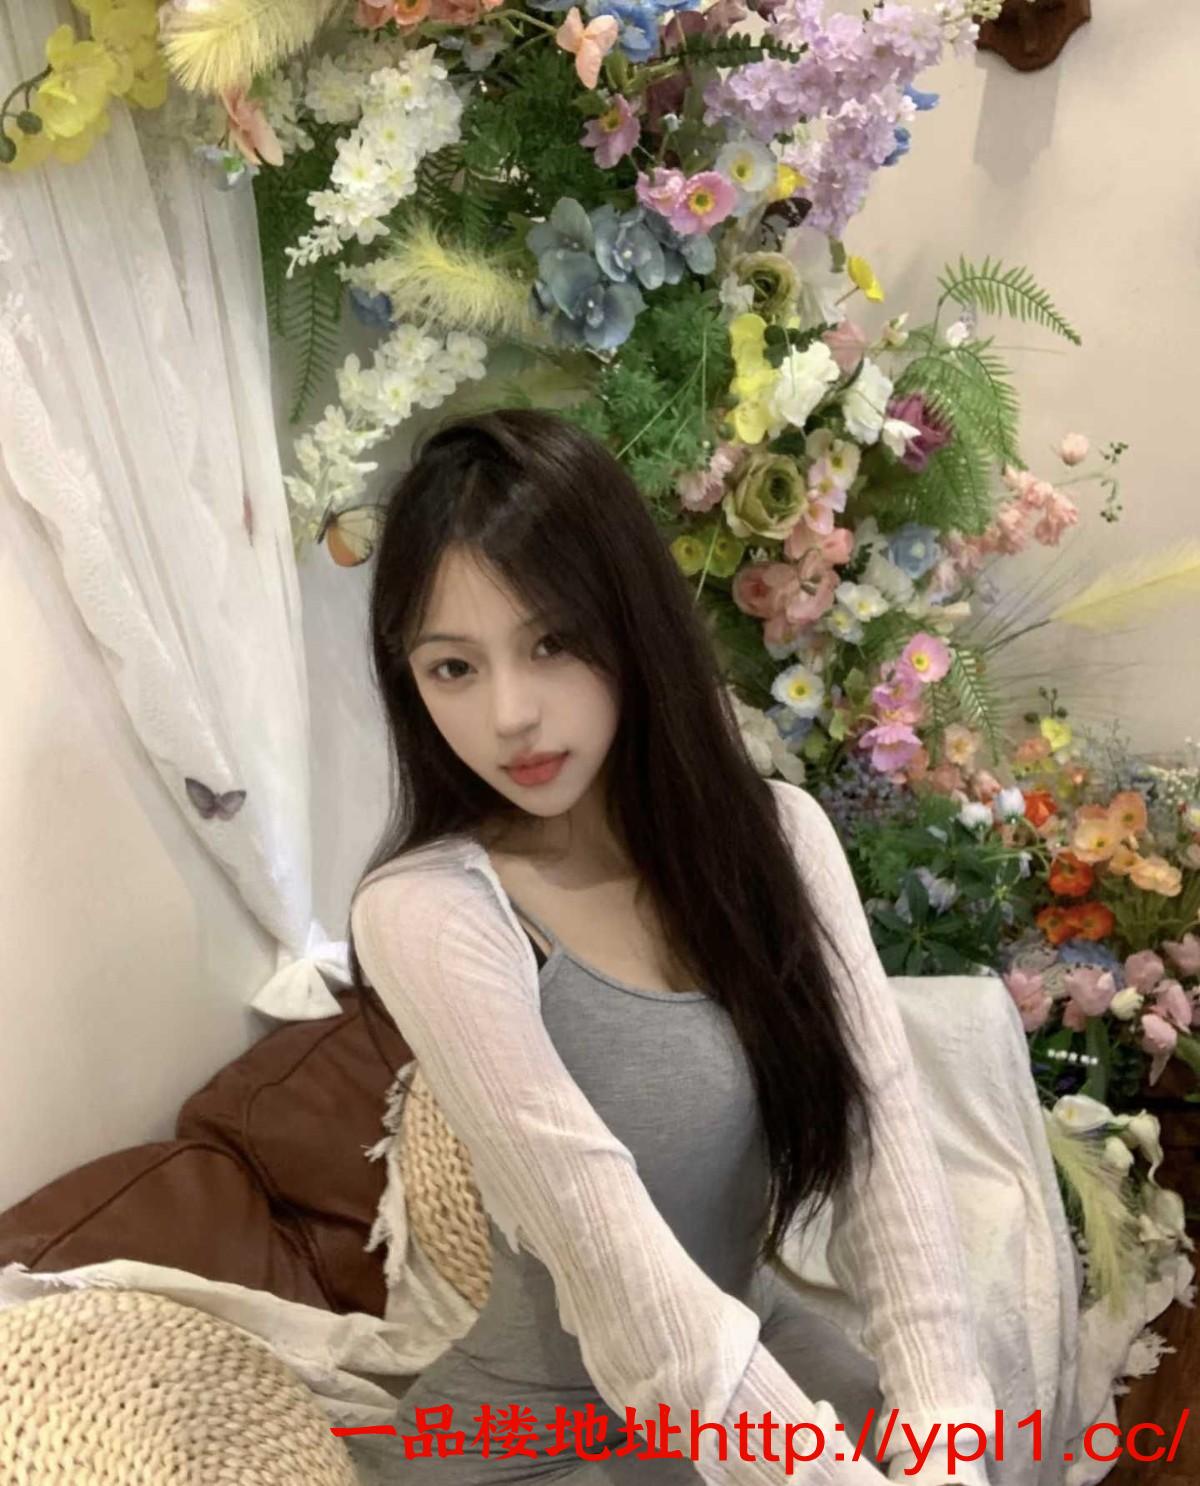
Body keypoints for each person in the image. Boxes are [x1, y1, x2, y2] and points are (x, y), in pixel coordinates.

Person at [346, 409, 997, 1486]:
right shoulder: (430, 912)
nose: (510, 715)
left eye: (552, 642)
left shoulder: (781, 838)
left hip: (754, 1349)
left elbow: (885, 1154)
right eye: (453, 667)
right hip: (538, 1440)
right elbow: (623, 1279)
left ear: (632, 621)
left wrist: (945, 1445)